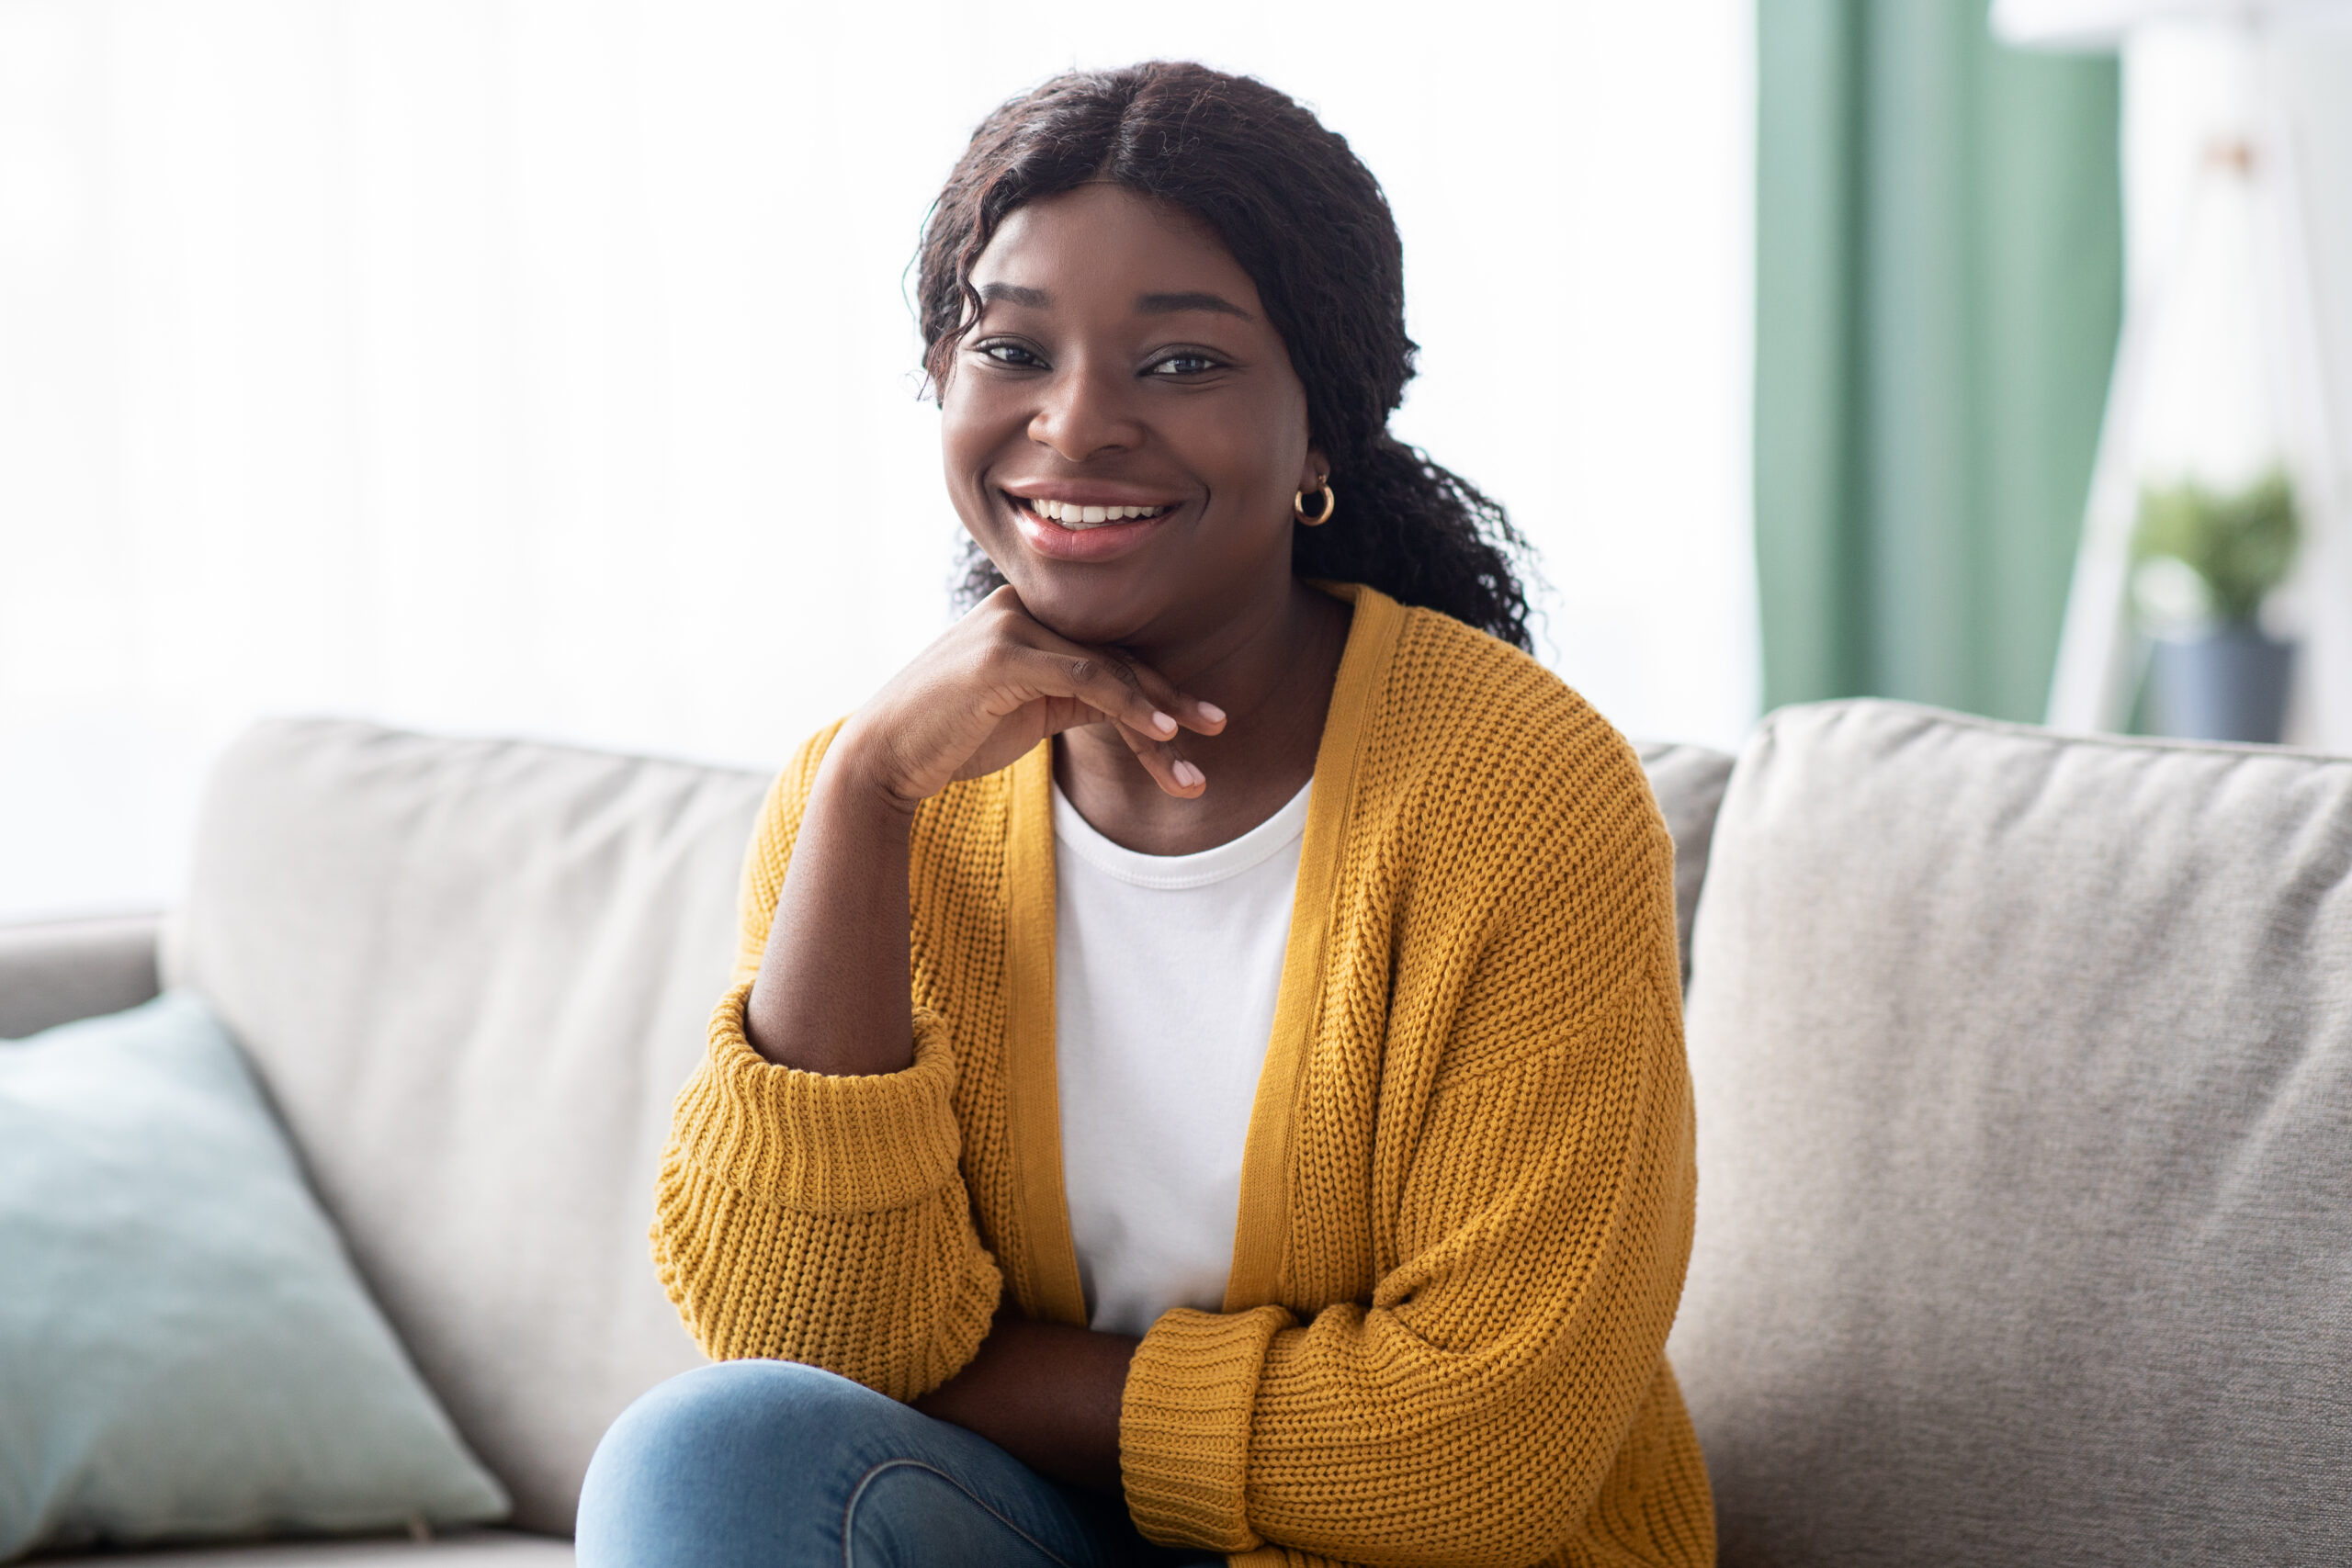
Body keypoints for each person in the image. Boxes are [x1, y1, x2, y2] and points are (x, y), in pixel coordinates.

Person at [576, 61, 1712, 1568]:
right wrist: (864, 800)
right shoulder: (873, 794)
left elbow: (1476, 1459)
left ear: (1321, 432)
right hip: (1035, 1533)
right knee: (707, 1457)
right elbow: (802, 1345)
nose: (1078, 422)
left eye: (1181, 363)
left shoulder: (1522, 797)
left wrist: (979, 1372)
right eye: (1011, 347)